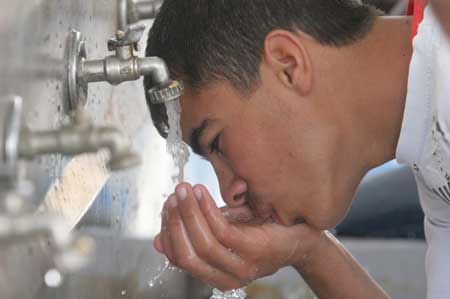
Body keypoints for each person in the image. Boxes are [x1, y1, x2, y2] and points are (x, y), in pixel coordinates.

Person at [143, 0, 449, 298]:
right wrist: (308, 251)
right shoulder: (436, 164)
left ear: (288, 64)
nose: (229, 193)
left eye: (217, 143)